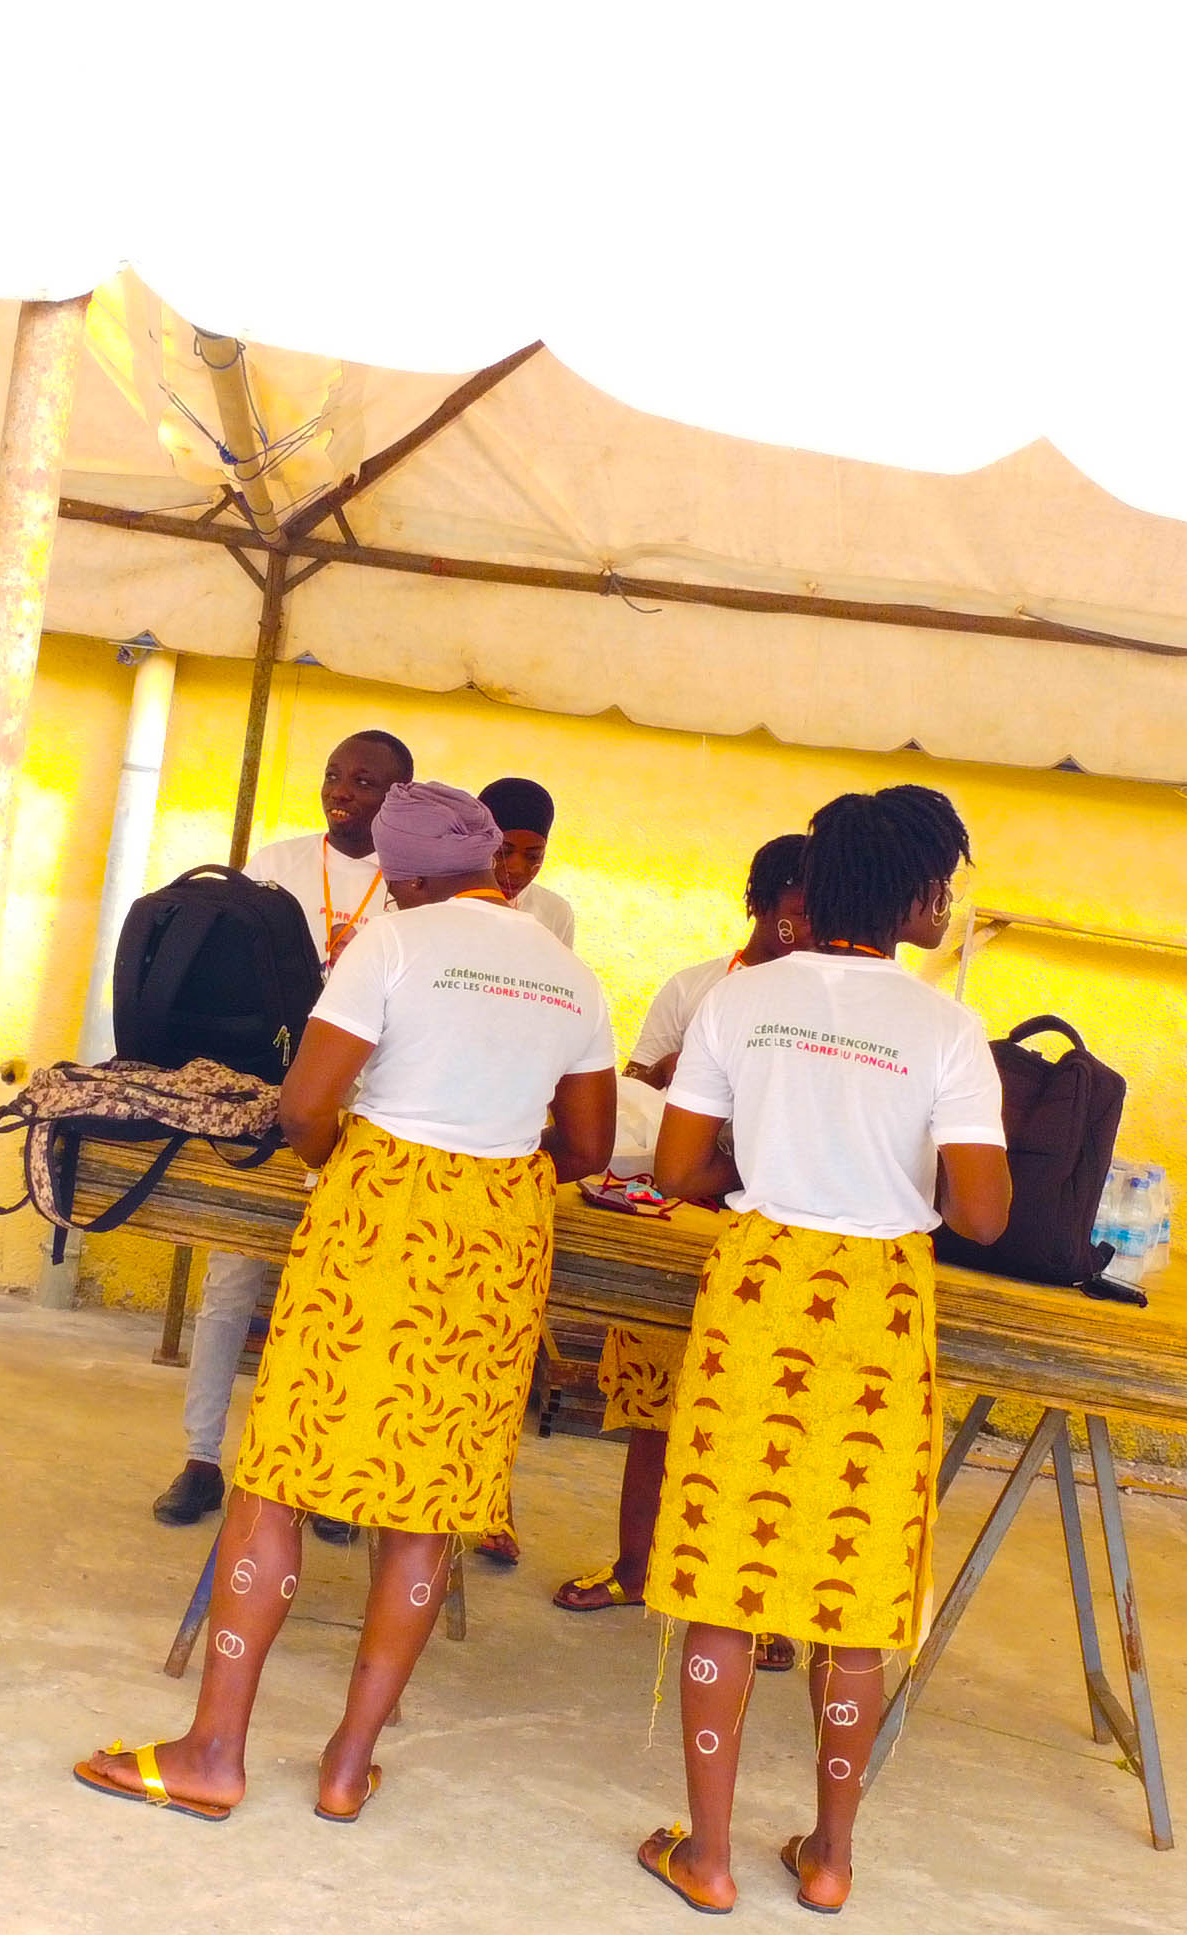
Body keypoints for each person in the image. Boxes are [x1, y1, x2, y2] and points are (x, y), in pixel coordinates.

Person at [80, 783, 618, 1824]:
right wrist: (491, 1175)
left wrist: (349, 1164)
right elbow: (590, 1146)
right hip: (499, 1235)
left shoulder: (395, 942)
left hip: (378, 1211)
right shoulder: (572, 973)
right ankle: (344, 1767)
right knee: (427, 1508)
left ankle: (213, 1754)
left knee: (278, 1479)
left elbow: (305, 1106)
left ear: (405, 876)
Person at [630, 788, 1008, 1917]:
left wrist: (766, 1163)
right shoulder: (947, 1029)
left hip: (758, 1290)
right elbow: (984, 1215)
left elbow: (676, 1169)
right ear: (917, 894)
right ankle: (831, 1858)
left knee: (725, 1577)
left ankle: (707, 1858)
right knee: (855, 1587)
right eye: (946, 886)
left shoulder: (740, 1000)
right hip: (879, 1307)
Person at [553, 832, 809, 1668]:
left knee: (762, 1424)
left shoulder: (826, 1004)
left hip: (770, 1231)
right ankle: (636, 1568)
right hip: (681, 1221)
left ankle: (754, 1604)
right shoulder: (697, 989)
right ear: (761, 904)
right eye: (796, 907)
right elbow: (629, 1102)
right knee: (653, 1405)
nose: (809, 924)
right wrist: (666, 1075)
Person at [153, 728, 415, 1535]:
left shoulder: (416, 886)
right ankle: (202, 1458)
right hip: (272, 1088)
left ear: (398, 796)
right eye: (334, 775)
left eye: (364, 781)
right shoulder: (277, 862)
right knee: (231, 1277)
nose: (342, 791)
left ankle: (325, 1473)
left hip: (369, 1100)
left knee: (345, 1293)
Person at [478, 776, 576, 948]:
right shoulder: (439, 899)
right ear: (476, 841)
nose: (516, 869)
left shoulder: (555, 913)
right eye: (503, 851)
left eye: (533, 856)